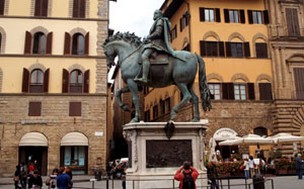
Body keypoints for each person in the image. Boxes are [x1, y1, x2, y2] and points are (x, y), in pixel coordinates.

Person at [134, 9, 176, 83]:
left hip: (157, 44)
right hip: (153, 43)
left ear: (160, 15)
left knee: (144, 56)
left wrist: (148, 37)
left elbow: (158, 33)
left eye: (156, 13)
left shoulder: (160, 21)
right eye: (154, 13)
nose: (154, 15)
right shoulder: (157, 21)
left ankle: (144, 77)